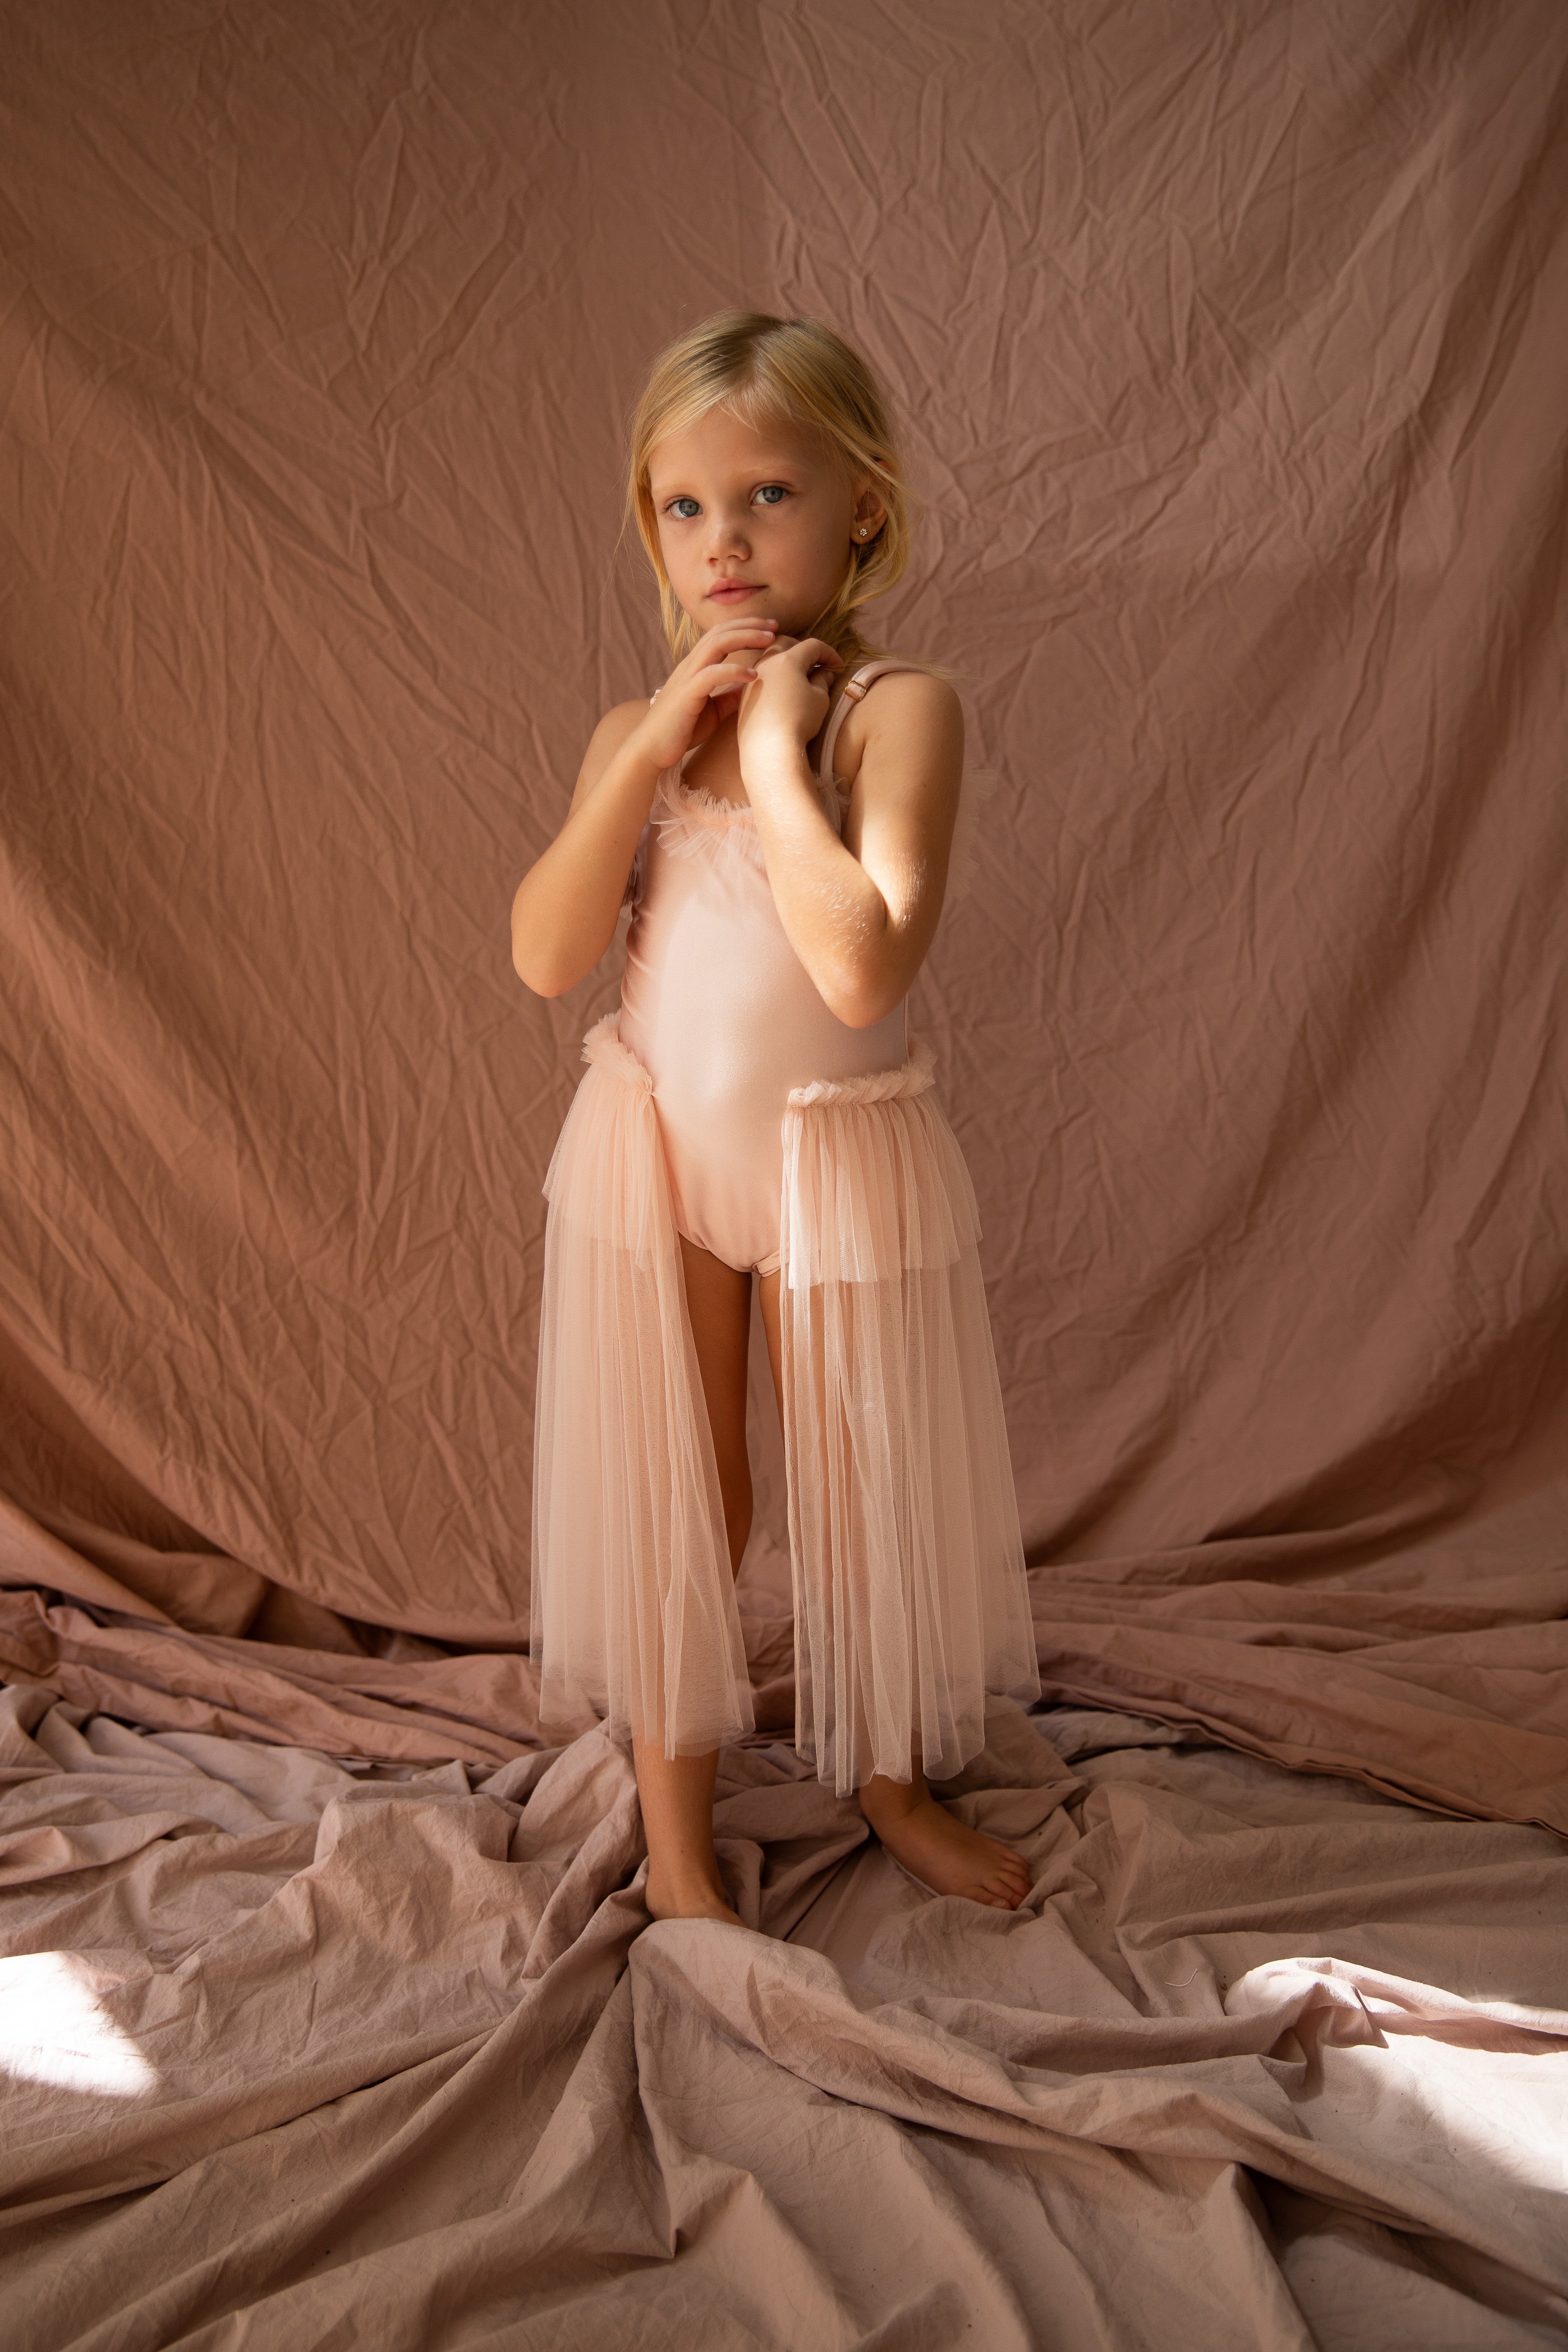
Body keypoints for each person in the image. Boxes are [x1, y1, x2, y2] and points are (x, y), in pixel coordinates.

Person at [511, 310, 1040, 1928]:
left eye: (767, 498)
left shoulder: (896, 710)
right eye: (685, 508)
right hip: (664, 1156)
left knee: (861, 1484)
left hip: (835, 1165)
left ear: (861, 506)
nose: (722, 542)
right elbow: (545, 954)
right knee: (692, 1485)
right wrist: (651, 756)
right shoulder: (639, 740)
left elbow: (862, 965)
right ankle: (678, 1838)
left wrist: (772, 757)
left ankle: (885, 1778)